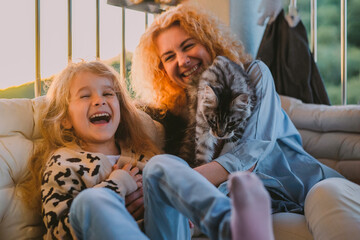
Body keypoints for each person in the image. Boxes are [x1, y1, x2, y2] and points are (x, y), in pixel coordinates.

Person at [131, 3, 360, 240]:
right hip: (254, 202)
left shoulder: (252, 75)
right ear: (162, 69)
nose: (182, 60)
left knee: (325, 195)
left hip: (306, 187)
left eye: (188, 45)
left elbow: (247, 156)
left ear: (209, 41)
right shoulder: (178, 115)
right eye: (169, 57)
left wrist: (168, 185)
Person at [17, 60, 271, 240]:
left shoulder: (142, 154)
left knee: (164, 165)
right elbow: (59, 231)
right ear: (65, 119)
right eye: (85, 96)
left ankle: (231, 225)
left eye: (108, 93)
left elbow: (173, 214)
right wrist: (116, 186)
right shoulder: (63, 162)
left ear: (120, 108)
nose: (99, 100)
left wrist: (181, 213)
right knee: (91, 200)